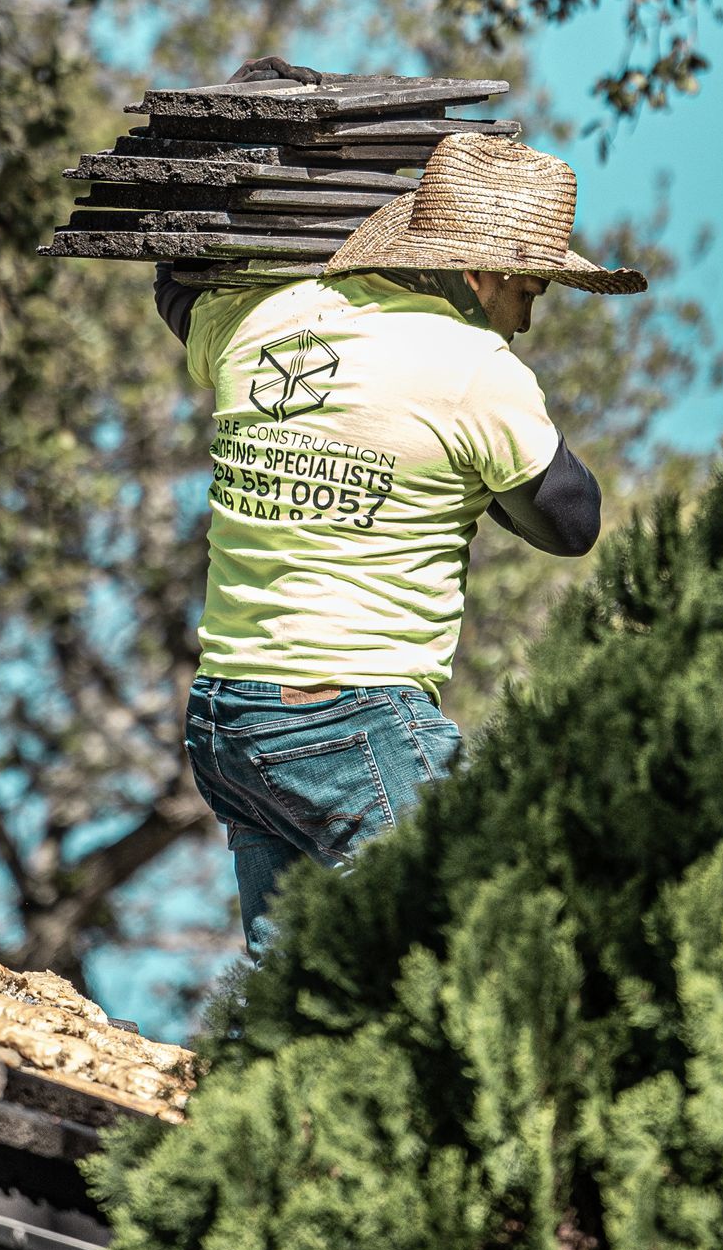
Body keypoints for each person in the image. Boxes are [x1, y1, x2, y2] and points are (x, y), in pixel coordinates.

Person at [155, 121, 647, 957]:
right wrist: (477, 476)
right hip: (348, 716)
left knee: (307, 991)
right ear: (482, 269)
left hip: (228, 721)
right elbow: (573, 522)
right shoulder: (474, 370)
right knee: (469, 949)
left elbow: (176, 281)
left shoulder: (260, 318)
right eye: (529, 292)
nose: (526, 322)